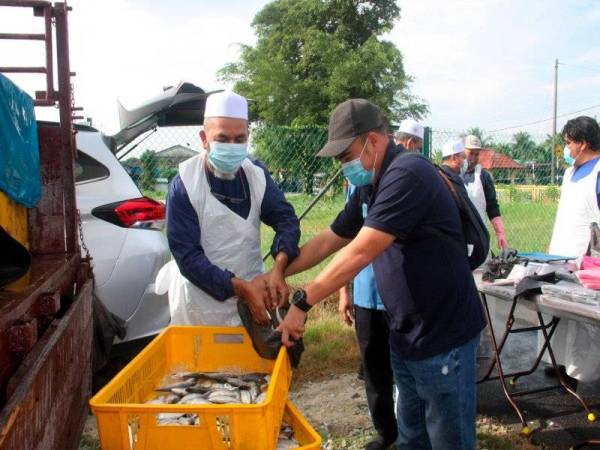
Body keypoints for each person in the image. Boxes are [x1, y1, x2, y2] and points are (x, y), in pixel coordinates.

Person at [276, 98, 486, 449]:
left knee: (448, 440)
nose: (344, 166)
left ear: (372, 140)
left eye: (346, 156)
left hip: (442, 335)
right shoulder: (369, 183)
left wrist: (302, 301)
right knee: (411, 435)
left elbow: (360, 250)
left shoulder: (407, 174)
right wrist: (279, 270)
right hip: (406, 332)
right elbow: (329, 239)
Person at [162, 91, 300, 326]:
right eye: (223, 139)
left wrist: (280, 266)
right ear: (204, 138)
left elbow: (286, 220)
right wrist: (239, 288)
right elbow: (188, 256)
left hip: (253, 292)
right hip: (201, 301)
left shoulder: (256, 176)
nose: (232, 146)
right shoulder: (185, 185)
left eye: (239, 139)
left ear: (248, 137)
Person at [338, 181, 398, 450]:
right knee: (374, 371)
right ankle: (386, 433)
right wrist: (343, 291)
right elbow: (347, 239)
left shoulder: (400, 182)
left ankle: (412, 431)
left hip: (399, 294)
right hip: (365, 292)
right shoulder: (357, 187)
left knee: (406, 369)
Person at [542, 116, 600, 384]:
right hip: (559, 253)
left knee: (581, 323)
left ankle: (580, 372)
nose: (565, 149)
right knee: (558, 315)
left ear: (583, 143)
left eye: (568, 143)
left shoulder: (598, 172)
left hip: (584, 261)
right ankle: (559, 363)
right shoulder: (569, 172)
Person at [462, 135, 508, 250]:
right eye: (470, 153)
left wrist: (500, 233)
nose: (473, 157)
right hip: (459, 235)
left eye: (476, 154)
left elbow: (492, 207)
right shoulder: (453, 175)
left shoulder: (483, 176)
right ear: (462, 152)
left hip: (478, 234)